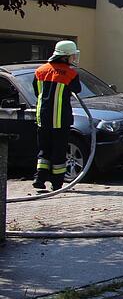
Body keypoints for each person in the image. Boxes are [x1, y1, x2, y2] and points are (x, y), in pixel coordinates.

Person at [32, 40, 83, 193]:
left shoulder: (40, 71)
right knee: (59, 152)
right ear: (65, 57)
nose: (73, 59)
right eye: (71, 56)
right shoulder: (71, 73)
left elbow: (37, 92)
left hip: (43, 117)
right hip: (60, 118)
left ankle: (39, 179)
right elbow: (77, 89)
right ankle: (57, 183)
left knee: (44, 150)